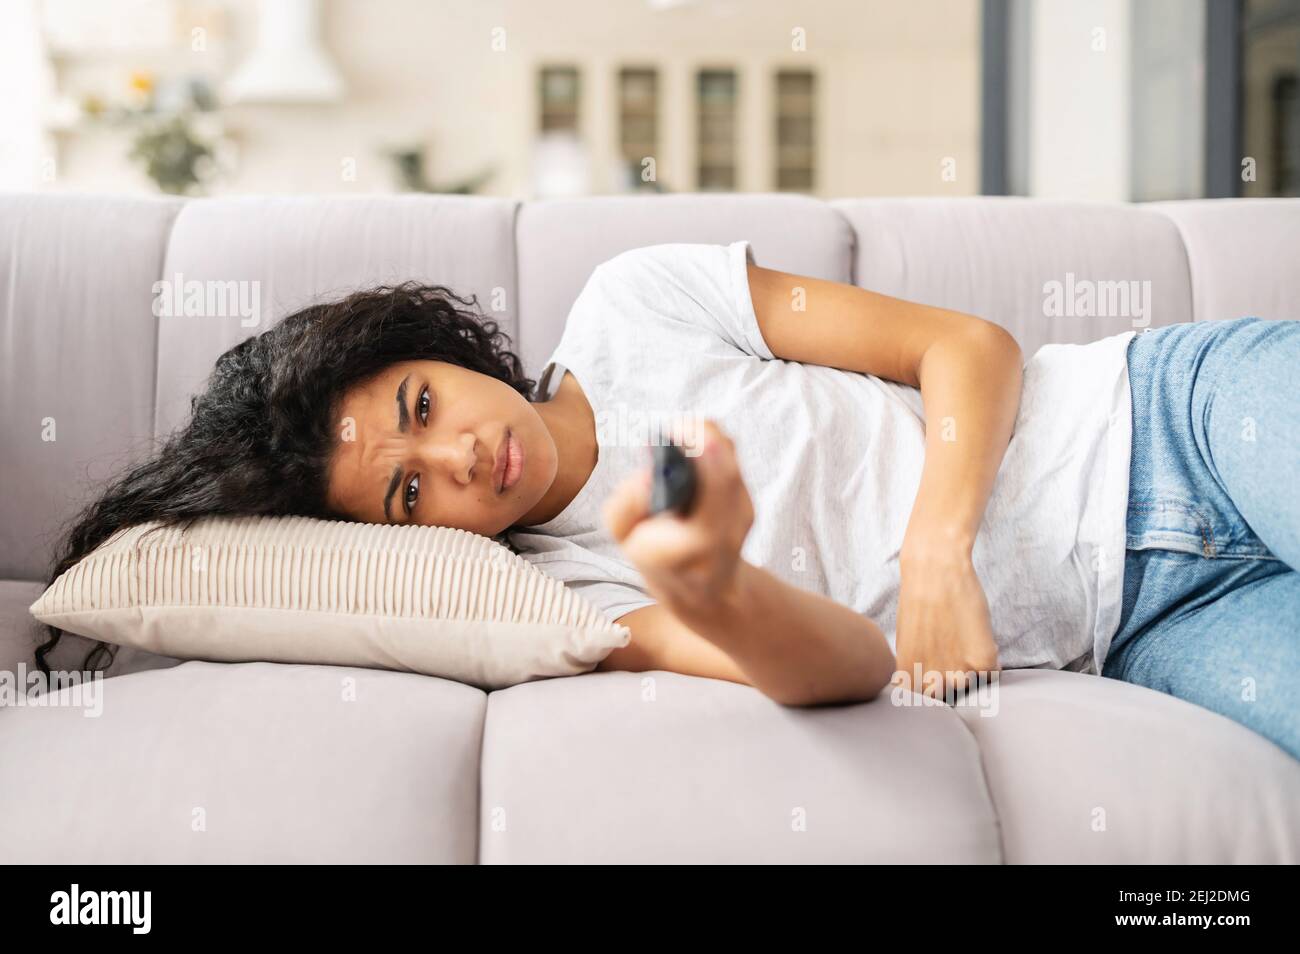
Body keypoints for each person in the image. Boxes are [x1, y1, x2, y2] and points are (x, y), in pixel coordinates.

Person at [38, 242, 1300, 759]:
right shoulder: (571, 598)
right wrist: (716, 583)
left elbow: (964, 346)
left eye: (423, 408)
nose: (464, 460)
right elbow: (846, 672)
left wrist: (937, 549)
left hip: (1168, 414)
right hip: (1138, 630)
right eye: (409, 496)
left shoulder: (633, 301)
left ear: (441, 348)